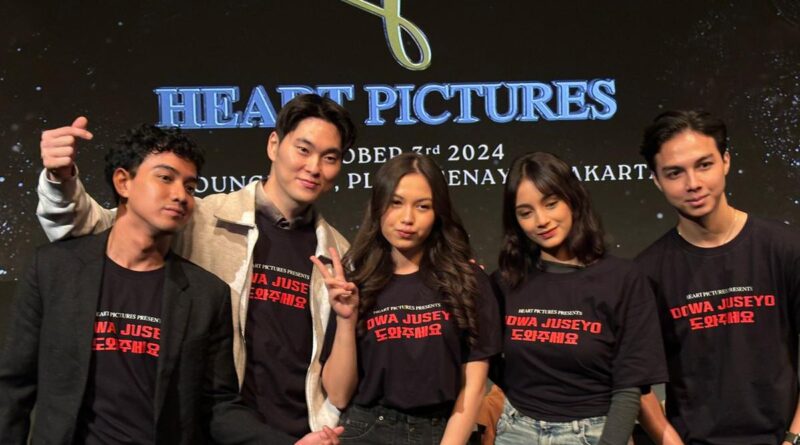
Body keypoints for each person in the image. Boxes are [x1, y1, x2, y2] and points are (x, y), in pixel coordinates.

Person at [35, 94, 356, 439]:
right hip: (215, 429)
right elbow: (99, 228)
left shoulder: (339, 253)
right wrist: (61, 182)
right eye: (303, 149)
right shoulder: (200, 215)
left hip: (297, 435)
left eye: (330, 157)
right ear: (274, 145)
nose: (314, 167)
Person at [311, 152, 502, 444]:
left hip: (443, 431)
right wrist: (346, 320)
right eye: (396, 203)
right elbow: (337, 395)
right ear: (378, 207)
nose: (407, 219)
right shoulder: (356, 283)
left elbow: (473, 388)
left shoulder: (467, 281)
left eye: (422, 206)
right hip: (367, 430)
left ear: (437, 213)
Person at [636, 110, 800, 445]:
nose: (693, 183)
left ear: (725, 161)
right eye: (675, 173)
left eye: (704, 165)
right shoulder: (646, 272)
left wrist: (793, 438)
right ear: (656, 180)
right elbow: (633, 381)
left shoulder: (785, 248)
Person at [491, 152, 667, 445]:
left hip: (593, 433)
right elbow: (487, 359)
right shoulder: (505, 281)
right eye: (525, 212)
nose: (541, 220)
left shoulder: (622, 278)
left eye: (551, 204)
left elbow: (630, 384)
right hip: (517, 430)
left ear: (572, 199)